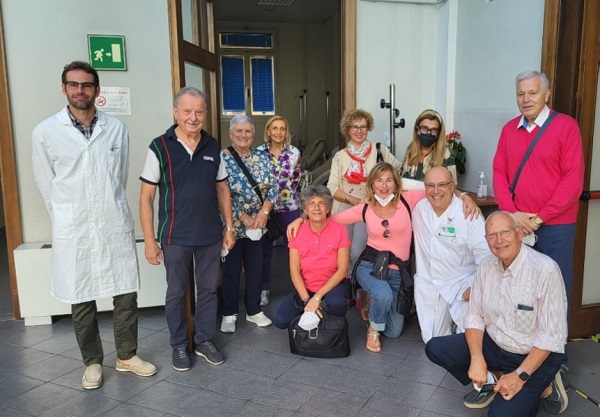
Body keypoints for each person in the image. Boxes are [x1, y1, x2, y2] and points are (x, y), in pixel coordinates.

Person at [32, 61, 156, 390]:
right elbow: (47, 185)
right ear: (64, 88)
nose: (80, 90)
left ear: (96, 91)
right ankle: (92, 362)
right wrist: (65, 218)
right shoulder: (45, 132)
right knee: (80, 296)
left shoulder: (116, 129)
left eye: (86, 85)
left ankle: (127, 356)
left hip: (113, 221)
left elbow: (120, 176)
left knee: (125, 292)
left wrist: (105, 208)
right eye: (73, 85)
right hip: (74, 227)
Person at [425, 211, 569, 416]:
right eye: (492, 235)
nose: (499, 241)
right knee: (436, 348)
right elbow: (474, 316)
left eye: (505, 232)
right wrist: (476, 357)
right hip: (496, 344)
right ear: (486, 240)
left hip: (533, 356)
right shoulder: (486, 267)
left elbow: (551, 337)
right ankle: (493, 382)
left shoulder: (545, 270)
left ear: (519, 233)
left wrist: (519, 376)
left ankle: (545, 387)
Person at [139, 86, 235, 372]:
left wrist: (229, 227)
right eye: (187, 111)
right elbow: (146, 197)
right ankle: (179, 344)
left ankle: (204, 340)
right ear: (175, 112)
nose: (193, 117)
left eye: (199, 112)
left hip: (208, 234)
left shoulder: (212, 145)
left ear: (205, 114)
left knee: (208, 291)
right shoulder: (159, 146)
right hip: (174, 235)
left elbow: (222, 190)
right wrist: (149, 241)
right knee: (177, 293)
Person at [291, 163, 425, 352]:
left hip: (396, 271)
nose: (384, 185)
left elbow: (435, 188)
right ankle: (372, 329)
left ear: (396, 183)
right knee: (383, 294)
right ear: (371, 184)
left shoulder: (407, 200)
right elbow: (329, 219)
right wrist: (302, 218)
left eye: (389, 180)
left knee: (394, 331)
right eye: (379, 180)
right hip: (370, 266)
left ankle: (374, 307)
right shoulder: (365, 207)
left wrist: (463, 197)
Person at [492, 71, 584, 314]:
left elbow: (572, 181)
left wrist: (539, 218)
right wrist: (513, 214)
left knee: (554, 292)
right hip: (518, 227)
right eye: (520, 93)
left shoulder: (566, 127)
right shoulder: (509, 130)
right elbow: (499, 174)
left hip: (556, 228)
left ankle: (554, 353)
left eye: (532, 93)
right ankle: (518, 350)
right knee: (518, 291)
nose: (526, 99)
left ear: (546, 94)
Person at [413, 166, 490, 343]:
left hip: (463, 283)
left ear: (452, 186)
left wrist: (477, 288)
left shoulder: (469, 215)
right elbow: (398, 184)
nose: (435, 191)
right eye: (430, 185)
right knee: (434, 342)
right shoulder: (418, 209)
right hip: (431, 284)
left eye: (442, 185)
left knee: (472, 339)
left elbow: (486, 256)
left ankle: (459, 325)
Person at [327, 108, 404, 274]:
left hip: (369, 207)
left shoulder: (379, 150)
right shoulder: (340, 156)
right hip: (344, 207)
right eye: (354, 127)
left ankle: (360, 288)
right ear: (347, 130)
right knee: (343, 252)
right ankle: (347, 292)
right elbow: (332, 187)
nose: (359, 131)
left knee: (357, 252)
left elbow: (397, 170)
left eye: (363, 127)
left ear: (368, 128)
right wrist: (353, 200)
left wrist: (386, 193)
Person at [220, 115, 277, 333]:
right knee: (231, 271)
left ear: (253, 134)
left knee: (255, 268)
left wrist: (264, 213)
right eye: (239, 131)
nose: (243, 135)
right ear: (231, 133)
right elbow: (219, 193)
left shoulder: (263, 157)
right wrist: (242, 217)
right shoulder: (222, 158)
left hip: (258, 226)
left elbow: (273, 187)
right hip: (231, 226)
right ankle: (228, 314)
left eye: (248, 131)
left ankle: (253, 311)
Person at [272, 185, 351, 329]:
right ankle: (312, 314)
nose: (316, 208)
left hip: (334, 285)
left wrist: (317, 297)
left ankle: (332, 327)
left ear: (328, 209)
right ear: (305, 210)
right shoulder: (296, 232)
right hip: (307, 287)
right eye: (311, 204)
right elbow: (294, 270)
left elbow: (342, 269)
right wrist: (307, 300)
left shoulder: (340, 230)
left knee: (336, 304)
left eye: (321, 203)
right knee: (280, 320)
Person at [256, 115, 302, 307]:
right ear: (268, 130)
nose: (278, 132)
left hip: (289, 207)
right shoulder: (258, 153)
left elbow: (296, 178)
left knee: (293, 250)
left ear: (286, 132)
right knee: (264, 251)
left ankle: (297, 289)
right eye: (274, 128)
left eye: (282, 128)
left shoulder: (293, 153)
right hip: (265, 208)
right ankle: (264, 289)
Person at [401, 108, 480, 214]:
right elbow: (402, 181)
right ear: (417, 129)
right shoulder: (411, 150)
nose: (428, 134)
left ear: (438, 133)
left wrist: (464, 196)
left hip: (432, 209)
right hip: (408, 207)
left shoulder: (445, 154)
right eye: (424, 129)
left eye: (433, 130)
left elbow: (451, 186)